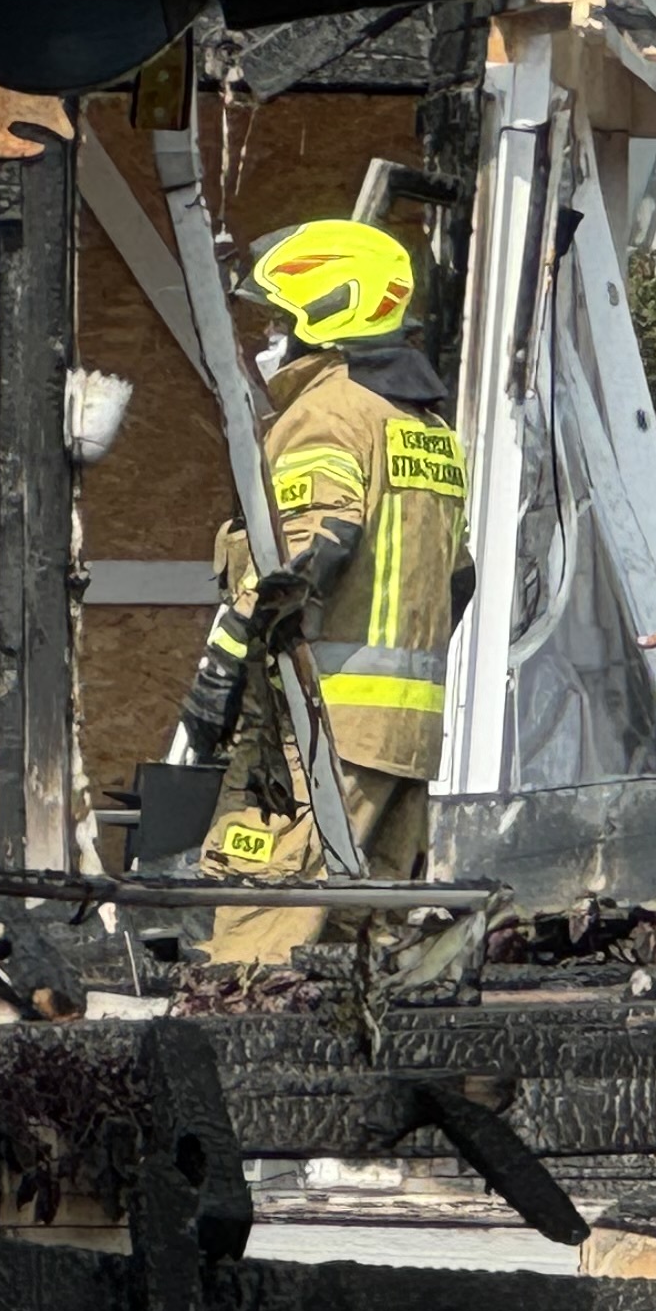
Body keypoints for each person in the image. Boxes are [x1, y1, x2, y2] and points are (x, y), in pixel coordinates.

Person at [172, 216, 472, 967]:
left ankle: (244, 1084)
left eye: (278, 319)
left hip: (313, 733)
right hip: (400, 749)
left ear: (327, 312)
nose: (270, 339)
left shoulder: (328, 414)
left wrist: (222, 670)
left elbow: (305, 554)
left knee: (253, 940)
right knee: (351, 959)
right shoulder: (424, 427)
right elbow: (457, 578)